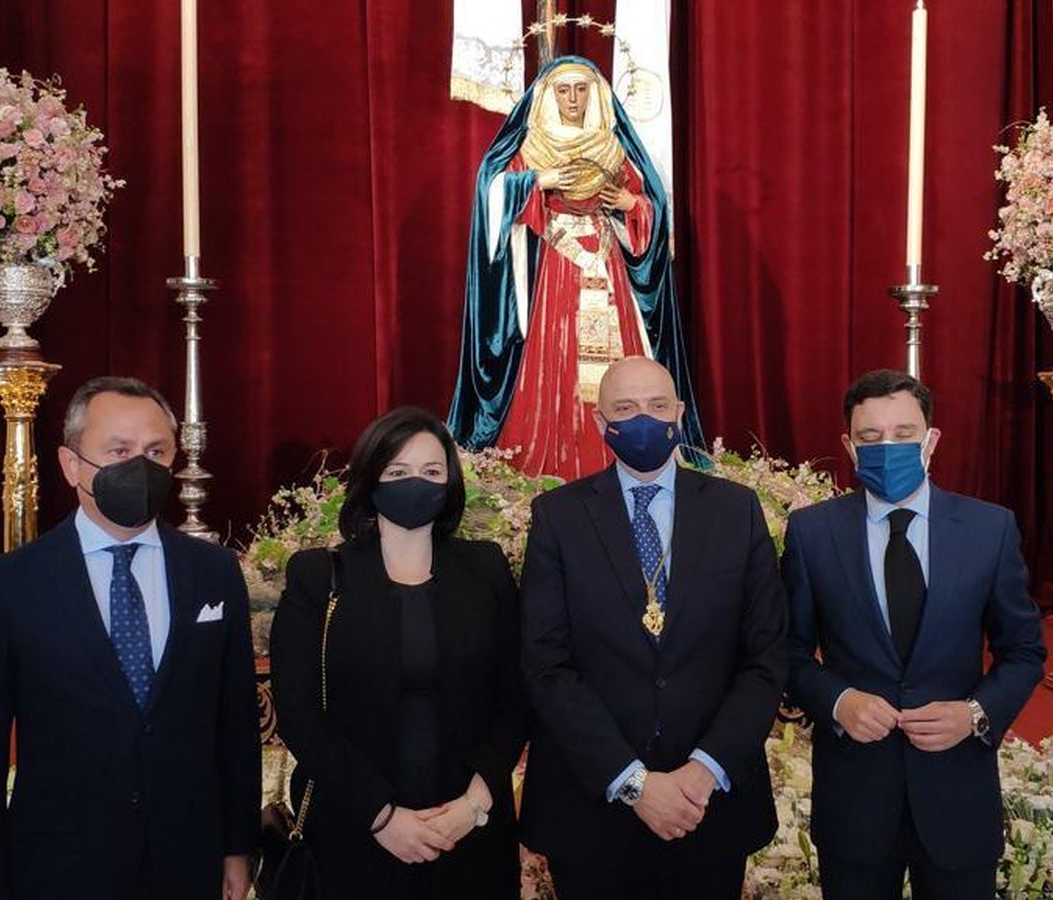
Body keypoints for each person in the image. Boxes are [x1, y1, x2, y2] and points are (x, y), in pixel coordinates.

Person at [0, 376, 260, 900]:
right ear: (71, 464)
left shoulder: (214, 573)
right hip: (59, 863)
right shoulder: (10, 584)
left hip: (186, 857)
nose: (138, 467)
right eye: (118, 451)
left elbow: (235, 725)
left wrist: (239, 848)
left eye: (155, 451)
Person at [519, 356, 786, 899]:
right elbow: (546, 664)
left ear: (680, 413)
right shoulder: (558, 516)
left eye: (658, 406)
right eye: (625, 408)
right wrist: (634, 783)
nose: (644, 419)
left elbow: (767, 655)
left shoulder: (738, 510)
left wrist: (703, 771)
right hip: (593, 803)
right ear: (601, 424)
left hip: (708, 802)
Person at [782, 370, 1047, 900]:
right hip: (855, 799)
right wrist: (837, 701)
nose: (888, 449)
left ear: (931, 440)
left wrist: (974, 713)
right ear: (849, 447)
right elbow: (784, 650)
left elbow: (1023, 651)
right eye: (870, 438)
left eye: (903, 434)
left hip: (958, 796)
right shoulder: (813, 532)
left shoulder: (989, 529)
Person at [269, 407, 526, 899]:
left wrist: (473, 803)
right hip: (352, 831)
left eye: (431, 472)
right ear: (371, 479)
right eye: (398, 472)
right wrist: (380, 815)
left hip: (469, 832)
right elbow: (301, 713)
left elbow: (514, 696)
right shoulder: (318, 576)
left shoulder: (486, 569)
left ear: (450, 482)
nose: (417, 484)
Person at [448, 55, 705, 480]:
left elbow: (650, 204)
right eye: (563, 90)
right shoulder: (532, 144)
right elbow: (491, 190)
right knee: (556, 354)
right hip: (557, 263)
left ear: (595, 94)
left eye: (580, 89)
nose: (572, 99)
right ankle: (553, 457)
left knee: (616, 355)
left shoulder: (613, 143)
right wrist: (536, 182)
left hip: (606, 264)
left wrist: (631, 206)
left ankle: (620, 456)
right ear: (549, 95)